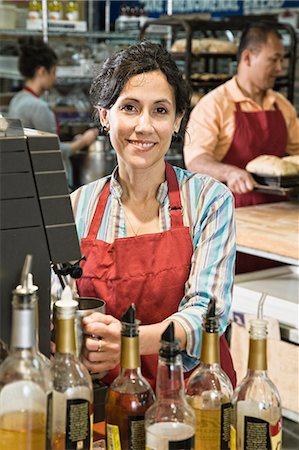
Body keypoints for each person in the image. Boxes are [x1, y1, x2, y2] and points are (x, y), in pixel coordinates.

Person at [68, 41, 236, 389]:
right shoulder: (77, 207)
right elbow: (63, 307)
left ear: (177, 121)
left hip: (195, 394)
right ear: (105, 116)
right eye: (129, 107)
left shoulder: (208, 199)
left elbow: (209, 313)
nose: (144, 126)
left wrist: (129, 341)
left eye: (160, 111)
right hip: (109, 398)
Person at [183, 22, 299, 273]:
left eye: (282, 60)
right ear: (248, 57)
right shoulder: (215, 104)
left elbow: (295, 154)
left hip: (278, 220)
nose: (280, 69)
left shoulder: (283, 106)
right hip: (232, 221)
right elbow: (195, 160)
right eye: (274, 60)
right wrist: (230, 172)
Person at [8, 37, 98, 189]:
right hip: (45, 183)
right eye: (54, 72)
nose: (55, 78)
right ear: (42, 71)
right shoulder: (38, 107)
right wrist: (84, 141)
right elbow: (53, 151)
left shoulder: (17, 100)